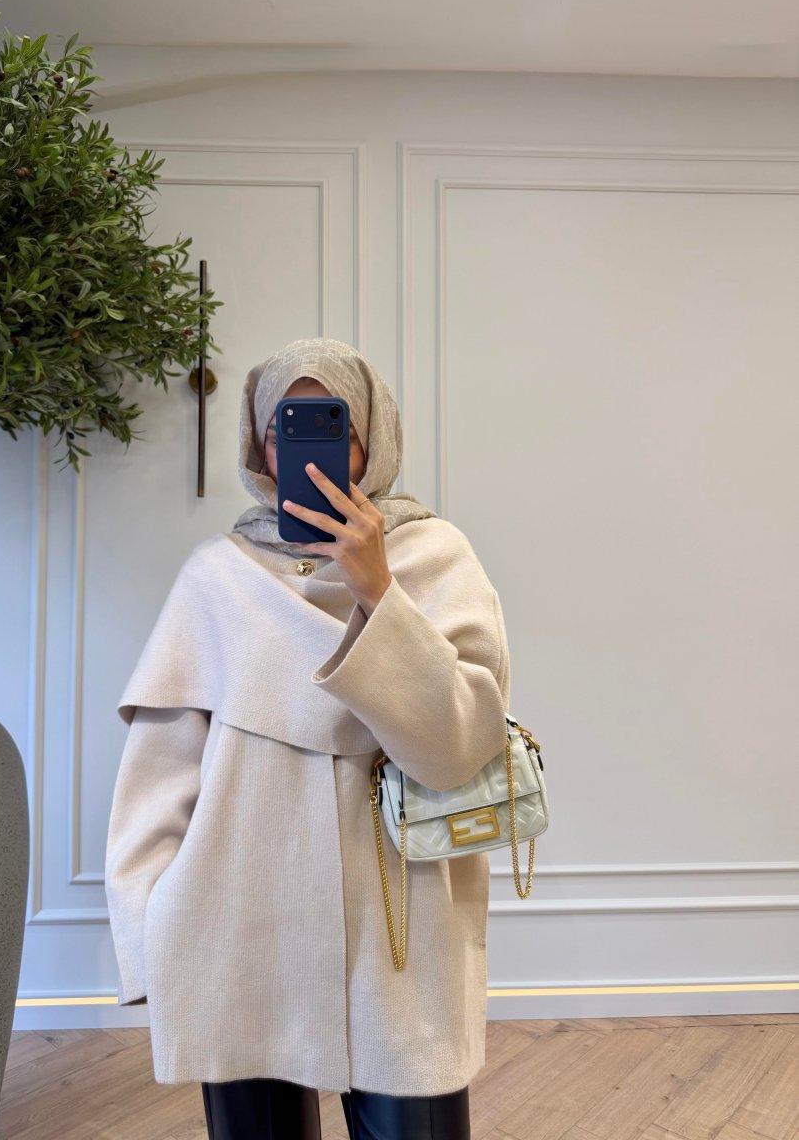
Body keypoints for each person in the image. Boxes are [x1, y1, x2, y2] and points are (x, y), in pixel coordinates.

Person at [105, 337, 512, 1140]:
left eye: (333, 427)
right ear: (258, 447)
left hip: (401, 934)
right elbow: (158, 779)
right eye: (281, 430)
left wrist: (378, 589)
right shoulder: (216, 578)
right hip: (236, 928)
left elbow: (459, 748)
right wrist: (150, 928)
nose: (307, 452)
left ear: (373, 437)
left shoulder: (438, 560)